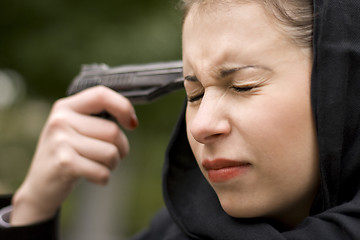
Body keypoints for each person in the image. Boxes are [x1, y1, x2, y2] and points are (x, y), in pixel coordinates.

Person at [1, 0, 360, 239]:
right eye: (195, 94)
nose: (201, 126)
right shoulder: (174, 232)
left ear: (345, 87)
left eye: (242, 85)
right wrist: (33, 207)